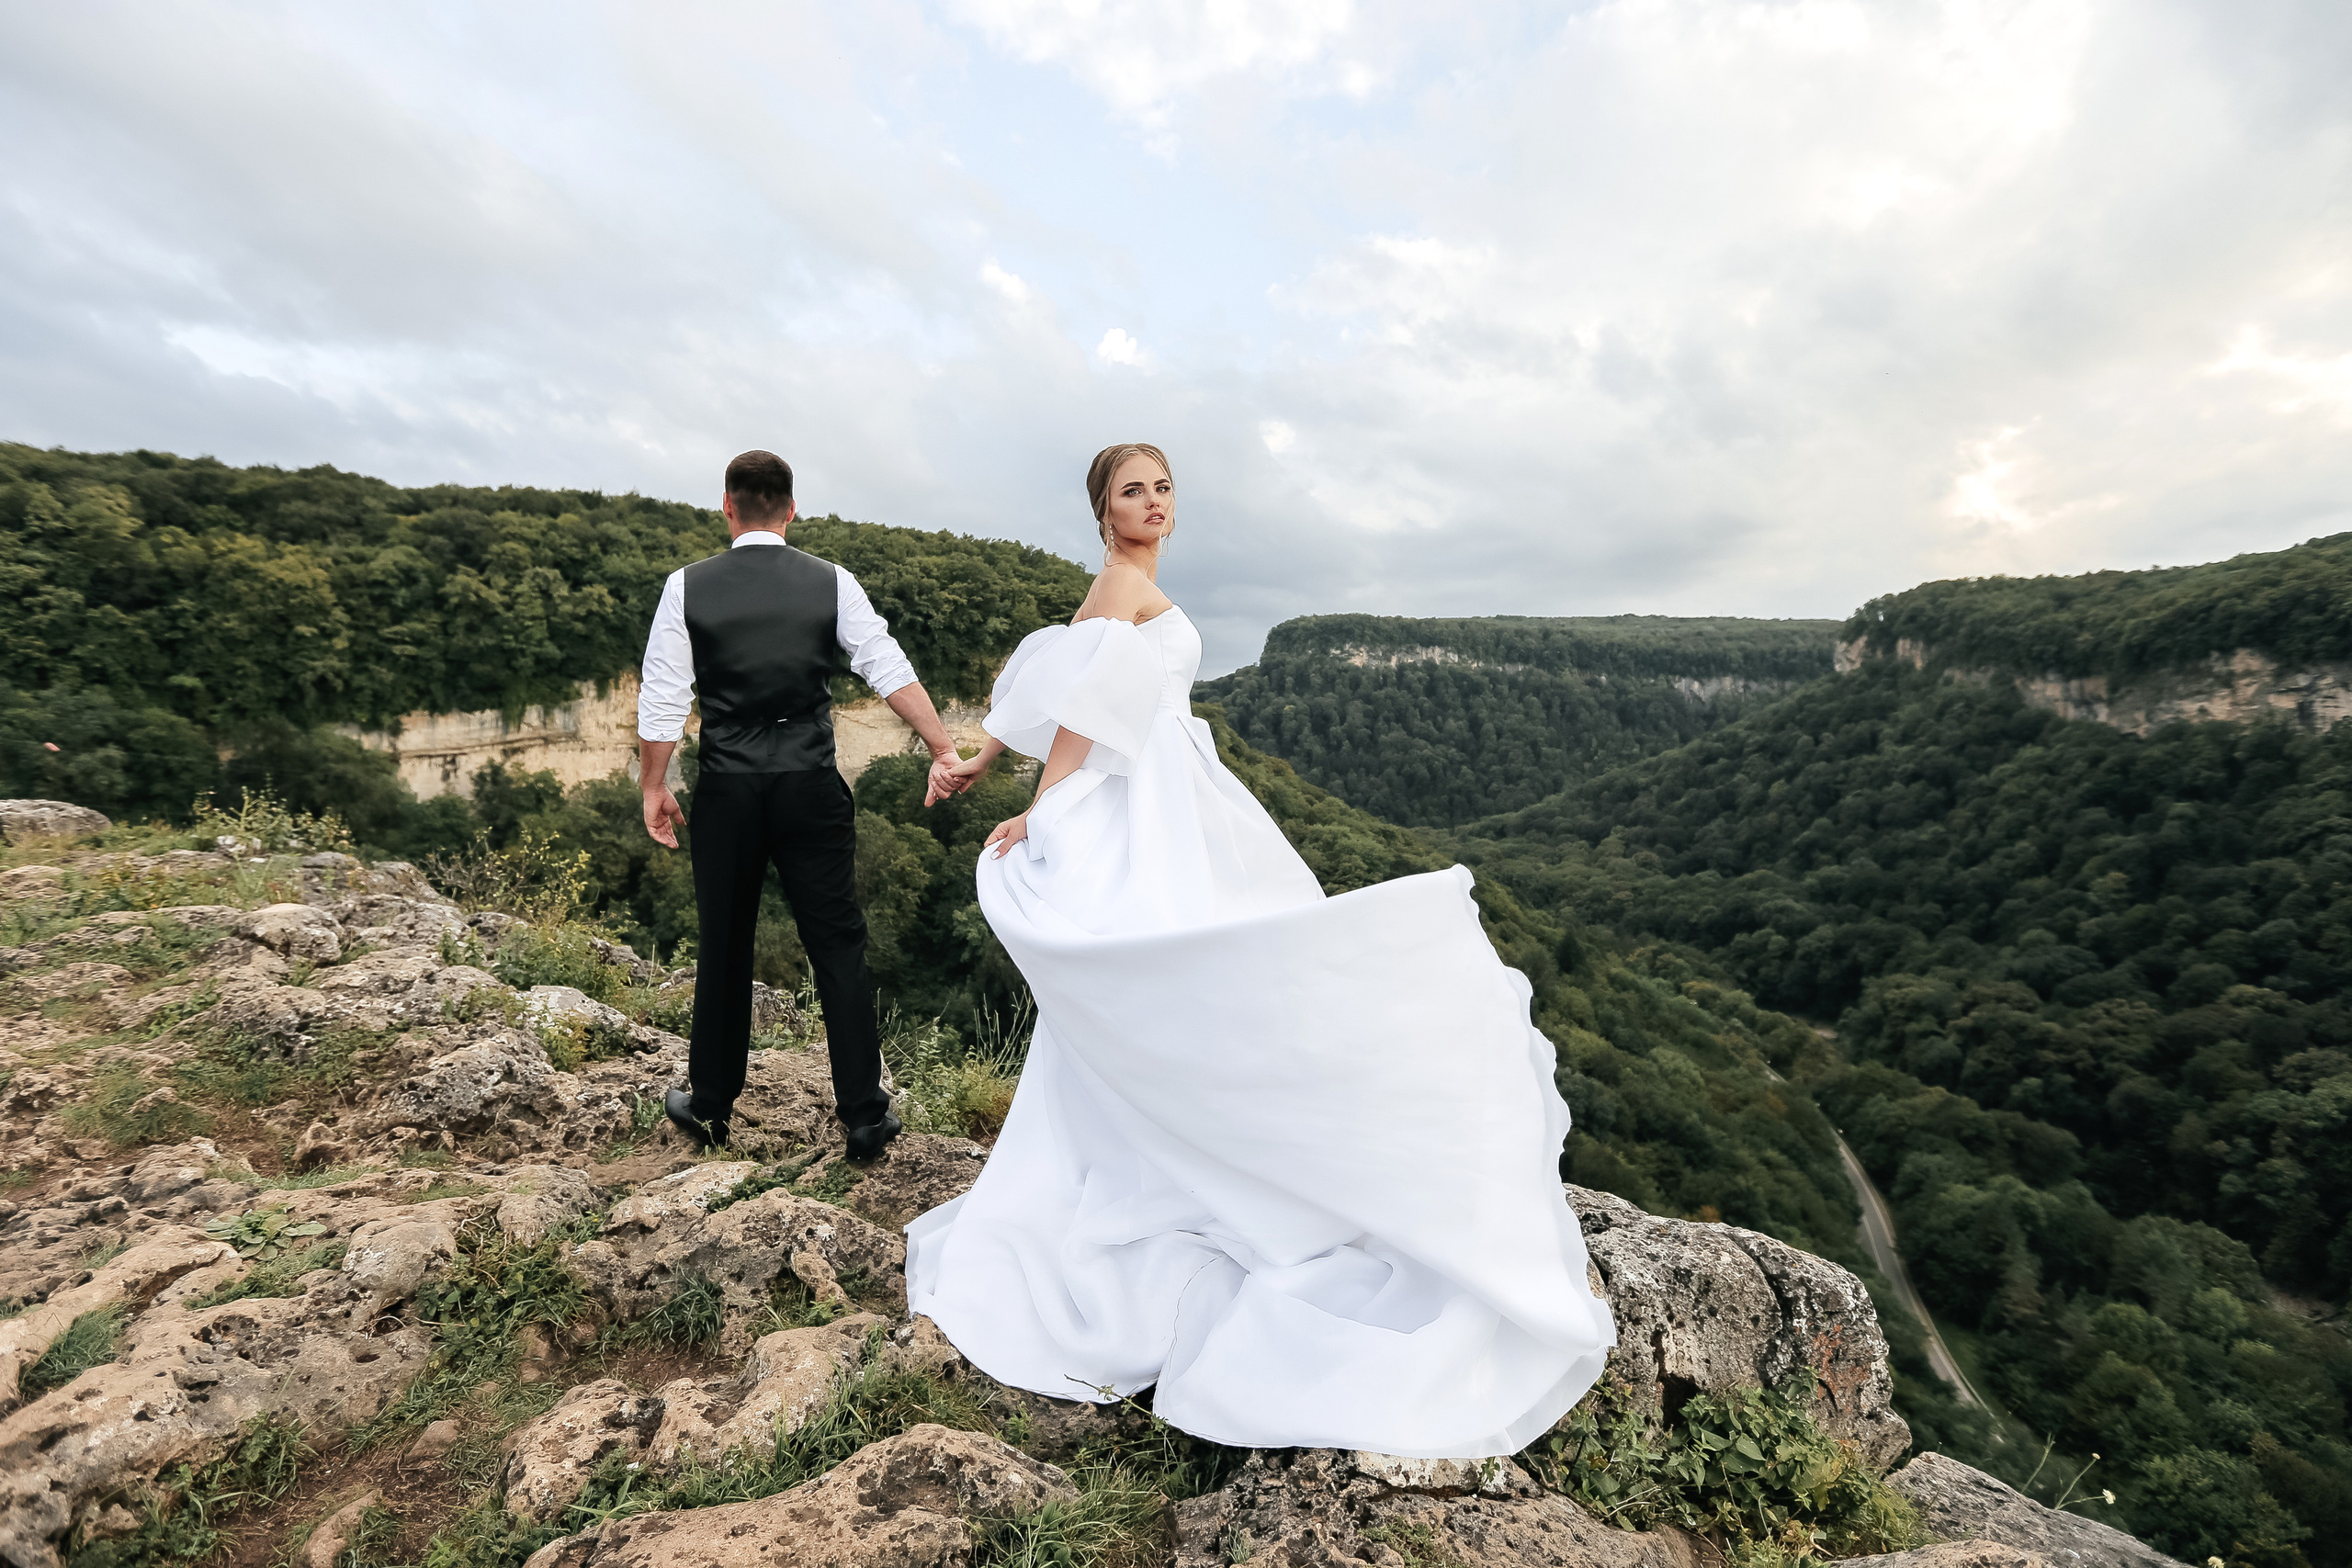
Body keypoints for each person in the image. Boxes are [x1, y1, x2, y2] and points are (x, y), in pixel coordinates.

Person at [903, 443, 1616, 1457]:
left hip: (1182, 798)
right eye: (1131, 492)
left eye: (1162, 488)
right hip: (1140, 809)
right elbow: (1078, 709)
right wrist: (1038, 808)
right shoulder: (1116, 581)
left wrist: (993, 764)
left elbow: (1088, 693)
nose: (1153, 503)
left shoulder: (1138, 582)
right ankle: (1196, 1166)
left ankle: (1198, 1156)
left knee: (1219, 988)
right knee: (1198, 993)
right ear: (1101, 512)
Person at [636, 449, 967, 1160]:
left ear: (727, 507)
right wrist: (942, 747)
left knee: (725, 941)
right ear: (790, 510)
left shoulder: (685, 586)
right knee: (838, 945)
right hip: (811, 784)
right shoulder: (832, 581)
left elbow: (663, 699)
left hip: (728, 787)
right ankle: (866, 1116)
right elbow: (887, 666)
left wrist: (653, 786)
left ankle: (713, 1104)